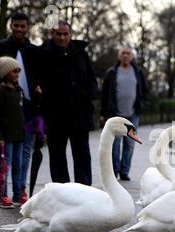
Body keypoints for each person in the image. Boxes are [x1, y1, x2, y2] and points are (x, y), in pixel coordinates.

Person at [0, 12, 42, 201]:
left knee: (24, 150)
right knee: (2, 150)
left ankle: (20, 187)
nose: (19, 29)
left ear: (27, 28)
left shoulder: (34, 51)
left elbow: (39, 76)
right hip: (7, 107)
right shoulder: (1, 47)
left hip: (28, 108)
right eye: (16, 25)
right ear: (11, 26)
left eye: (22, 26)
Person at [40, 20, 97, 186]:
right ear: (52, 34)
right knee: (57, 156)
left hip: (79, 114)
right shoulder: (44, 53)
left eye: (65, 34)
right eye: (59, 34)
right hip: (55, 115)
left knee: (82, 155)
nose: (62, 37)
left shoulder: (80, 53)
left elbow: (91, 78)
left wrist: (88, 94)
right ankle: (62, 191)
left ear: (70, 34)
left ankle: (84, 190)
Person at [0, 56, 39, 207]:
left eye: (18, 72)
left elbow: (25, 108)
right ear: (5, 73)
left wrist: (36, 96)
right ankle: (2, 195)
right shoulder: (0, 91)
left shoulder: (18, 90)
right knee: (4, 165)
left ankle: (17, 193)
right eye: (14, 72)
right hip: (5, 137)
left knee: (18, 164)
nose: (17, 75)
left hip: (19, 135)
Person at [100, 45, 149, 180]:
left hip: (133, 113)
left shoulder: (138, 72)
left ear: (132, 56)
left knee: (130, 143)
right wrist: (103, 113)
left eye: (128, 53)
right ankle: (115, 171)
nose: (125, 56)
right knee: (115, 142)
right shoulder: (112, 72)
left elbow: (145, 90)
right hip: (115, 113)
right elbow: (105, 94)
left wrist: (142, 104)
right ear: (119, 55)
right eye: (123, 53)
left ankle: (124, 171)